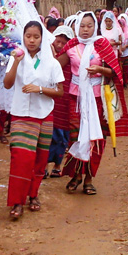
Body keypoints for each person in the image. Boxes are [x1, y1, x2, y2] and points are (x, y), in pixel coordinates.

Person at [56, 11, 128, 195]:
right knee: (76, 137)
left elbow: (114, 71)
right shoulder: (72, 45)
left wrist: (99, 69)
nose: (86, 29)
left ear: (95, 26)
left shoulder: (102, 44)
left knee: (95, 138)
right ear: (76, 26)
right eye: (82, 26)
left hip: (98, 99)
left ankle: (88, 178)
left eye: (89, 25)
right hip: (75, 98)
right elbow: (56, 67)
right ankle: (76, 175)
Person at [3, 21, 64, 219]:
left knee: (39, 158)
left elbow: (59, 92)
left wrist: (39, 89)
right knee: (21, 158)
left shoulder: (51, 62)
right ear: (23, 36)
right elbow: (7, 84)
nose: (31, 40)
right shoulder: (16, 57)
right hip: (21, 113)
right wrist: (16, 63)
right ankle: (17, 201)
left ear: (42, 38)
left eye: (36, 36)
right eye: (28, 36)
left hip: (44, 113)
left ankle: (33, 195)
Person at [47, 26, 74, 178]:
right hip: (51, 94)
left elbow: (55, 66)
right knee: (49, 131)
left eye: (63, 43)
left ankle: (57, 165)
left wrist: (52, 52)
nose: (59, 45)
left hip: (63, 96)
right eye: (57, 41)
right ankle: (46, 165)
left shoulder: (65, 55)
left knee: (60, 131)